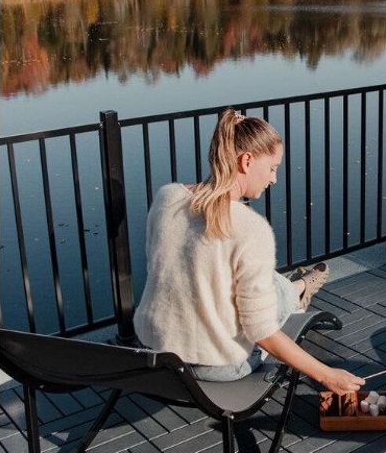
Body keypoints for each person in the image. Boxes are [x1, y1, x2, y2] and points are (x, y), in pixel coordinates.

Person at [132, 108, 362, 395]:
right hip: (214, 367)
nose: (274, 179)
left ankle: (298, 286)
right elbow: (262, 333)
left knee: (260, 282)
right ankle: (299, 290)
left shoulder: (168, 196)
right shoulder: (250, 229)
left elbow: (162, 266)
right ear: (247, 160)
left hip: (153, 348)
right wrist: (327, 375)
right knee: (274, 290)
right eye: (273, 168)